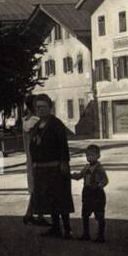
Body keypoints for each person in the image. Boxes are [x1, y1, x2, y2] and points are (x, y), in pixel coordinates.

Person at [27, 94, 74, 238]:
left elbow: (63, 146)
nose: (40, 110)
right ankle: (55, 228)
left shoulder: (56, 124)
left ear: (50, 107)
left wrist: (64, 163)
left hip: (55, 168)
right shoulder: (36, 126)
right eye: (38, 107)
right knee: (49, 200)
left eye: (43, 107)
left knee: (61, 198)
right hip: (41, 169)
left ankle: (67, 230)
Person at [72, 144, 109, 243]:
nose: (90, 157)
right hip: (87, 193)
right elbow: (79, 176)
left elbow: (105, 180)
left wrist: (99, 186)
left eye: (92, 155)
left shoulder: (100, 168)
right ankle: (86, 233)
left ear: (98, 156)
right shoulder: (86, 167)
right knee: (85, 214)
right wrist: (71, 175)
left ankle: (101, 236)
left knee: (99, 215)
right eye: (88, 155)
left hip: (97, 194)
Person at [21, 111, 50, 227]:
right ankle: (35, 215)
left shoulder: (25, 122)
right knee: (39, 187)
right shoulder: (36, 122)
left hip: (30, 158)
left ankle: (31, 214)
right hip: (37, 159)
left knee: (36, 188)